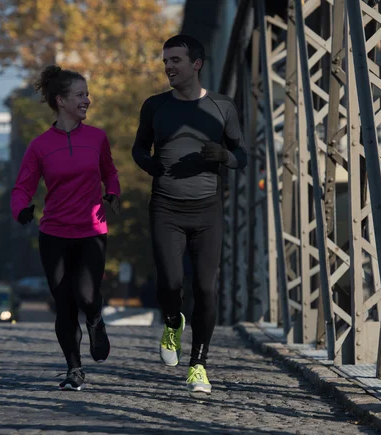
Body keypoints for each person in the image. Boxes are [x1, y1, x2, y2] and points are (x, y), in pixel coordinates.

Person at [132, 34, 247, 394]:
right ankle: (171, 322)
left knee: (205, 289)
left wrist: (223, 157)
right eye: (165, 61)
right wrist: (149, 164)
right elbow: (138, 148)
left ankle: (199, 365)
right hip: (165, 206)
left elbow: (241, 155)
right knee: (169, 284)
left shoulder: (222, 107)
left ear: (196, 64)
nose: (168, 66)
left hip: (207, 210)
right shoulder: (155, 106)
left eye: (175, 60)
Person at [10, 65, 121, 391]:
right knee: (64, 304)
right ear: (61, 101)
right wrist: (21, 210)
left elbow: (109, 172)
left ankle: (96, 321)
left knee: (87, 295)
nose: (88, 99)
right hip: (55, 234)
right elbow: (22, 187)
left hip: (92, 230)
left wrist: (113, 191)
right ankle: (74, 369)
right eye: (81, 95)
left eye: (87, 94)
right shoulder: (40, 146)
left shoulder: (97, 137)